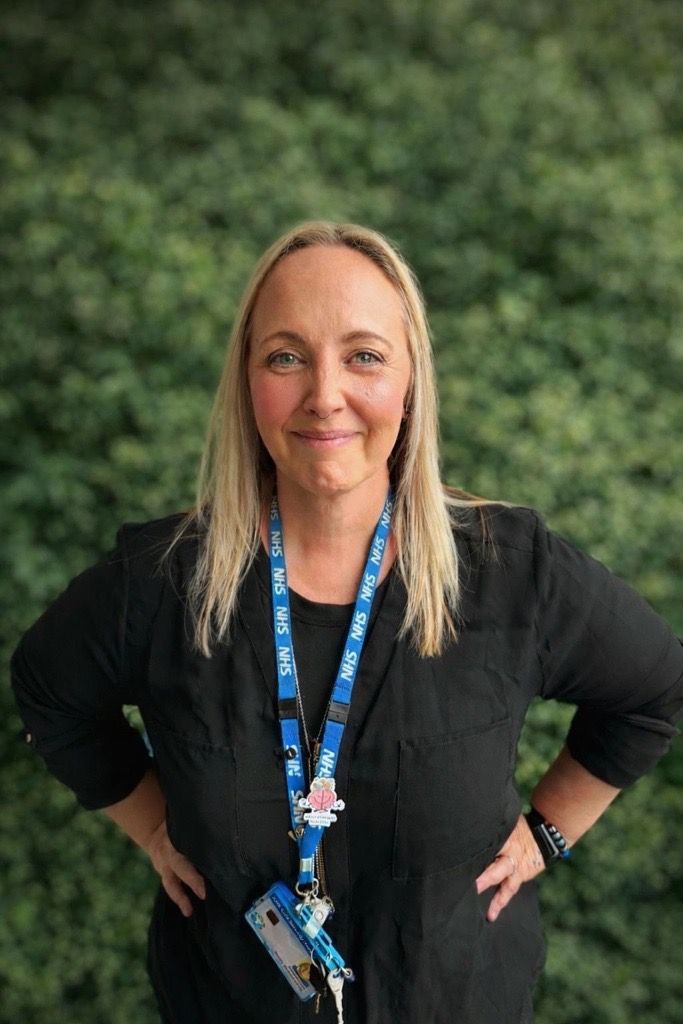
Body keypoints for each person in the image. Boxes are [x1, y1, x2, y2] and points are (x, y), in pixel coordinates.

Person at [10, 220, 683, 1024]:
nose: (323, 394)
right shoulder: (161, 583)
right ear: (247, 380)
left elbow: (655, 692)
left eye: (363, 356)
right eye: (285, 356)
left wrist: (549, 833)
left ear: (409, 383)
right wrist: (150, 821)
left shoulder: (512, 572)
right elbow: (48, 691)